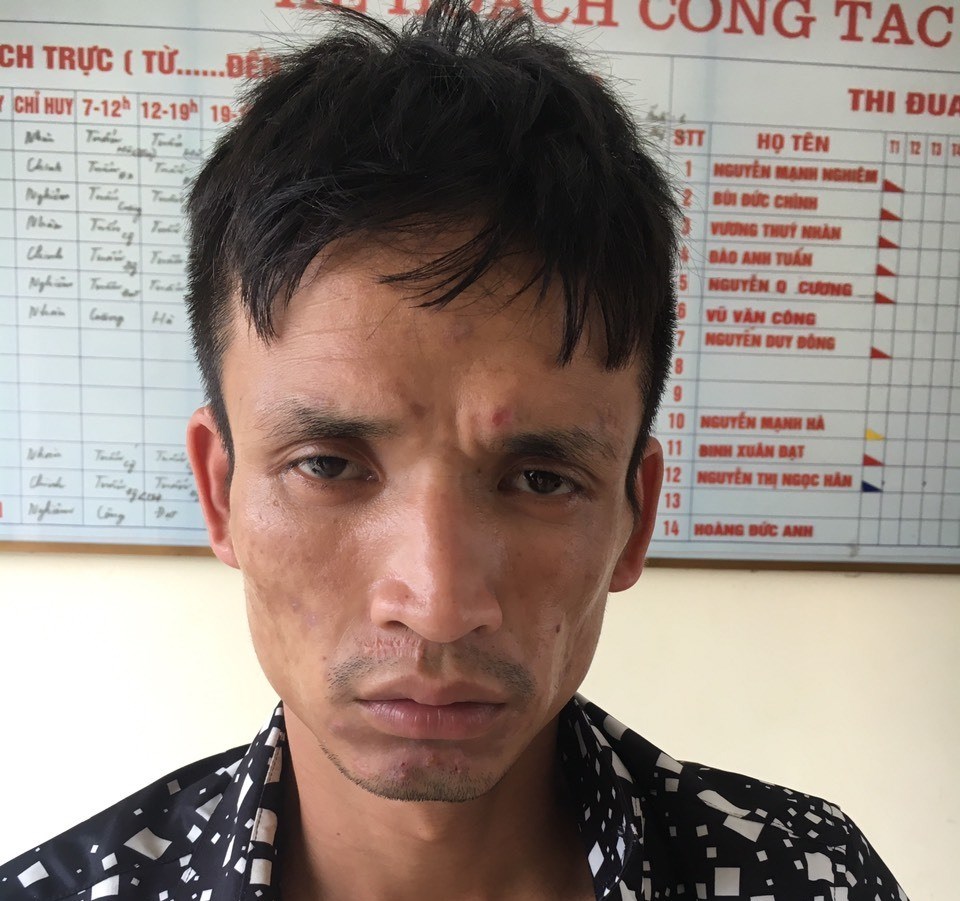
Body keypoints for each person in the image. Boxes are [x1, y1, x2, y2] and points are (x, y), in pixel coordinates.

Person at [1, 2, 908, 899]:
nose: (437, 606)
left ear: (634, 520)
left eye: (541, 478)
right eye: (327, 465)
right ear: (220, 491)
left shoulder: (811, 879)